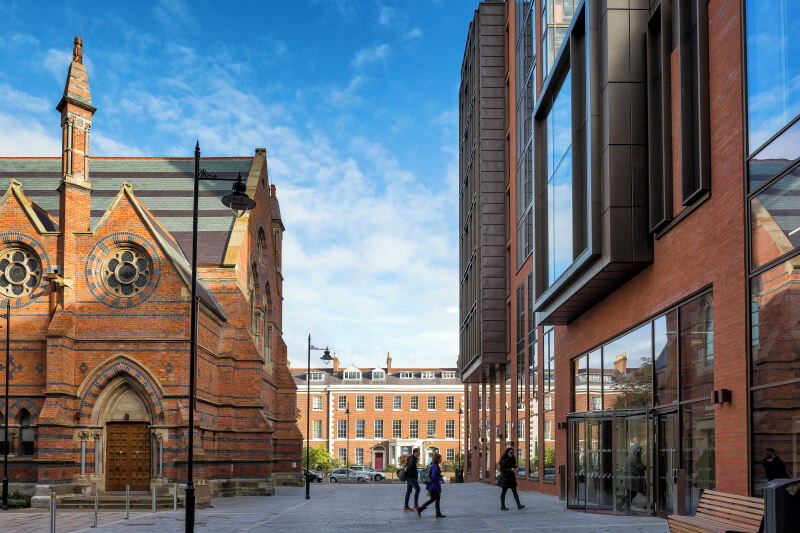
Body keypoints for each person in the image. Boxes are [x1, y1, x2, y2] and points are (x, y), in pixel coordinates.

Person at [417, 452, 445, 518]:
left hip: (433, 485)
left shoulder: (434, 465)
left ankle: (437, 513)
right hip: (434, 486)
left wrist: (440, 476)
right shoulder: (435, 467)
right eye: (440, 458)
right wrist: (441, 478)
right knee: (434, 499)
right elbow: (433, 476)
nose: (441, 459)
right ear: (437, 459)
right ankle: (421, 508)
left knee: (435, 499)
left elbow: (435, 475)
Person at [624, 444, 646, 509]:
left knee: (631, 494)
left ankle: (623, 506)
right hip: (632, 480)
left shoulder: (630, 457)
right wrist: (649, 467)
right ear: (636, 451)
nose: (641, 452)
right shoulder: (634, 458)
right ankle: (623, 506)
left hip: (631, 479)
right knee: (631, 494)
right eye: (640, 451)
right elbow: (641, 467)